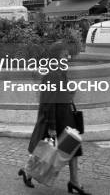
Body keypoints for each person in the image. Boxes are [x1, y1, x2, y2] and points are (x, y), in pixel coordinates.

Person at [19, 56, 90, 194]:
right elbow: (49, 102)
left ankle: (74, 182)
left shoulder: (61, 72)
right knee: (47, 151)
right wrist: (51, 126)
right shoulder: (51, 75)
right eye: (65, 55)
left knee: (72, 148)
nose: (68, 58)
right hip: (57, 120)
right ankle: (28, 172)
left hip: (65, 117)